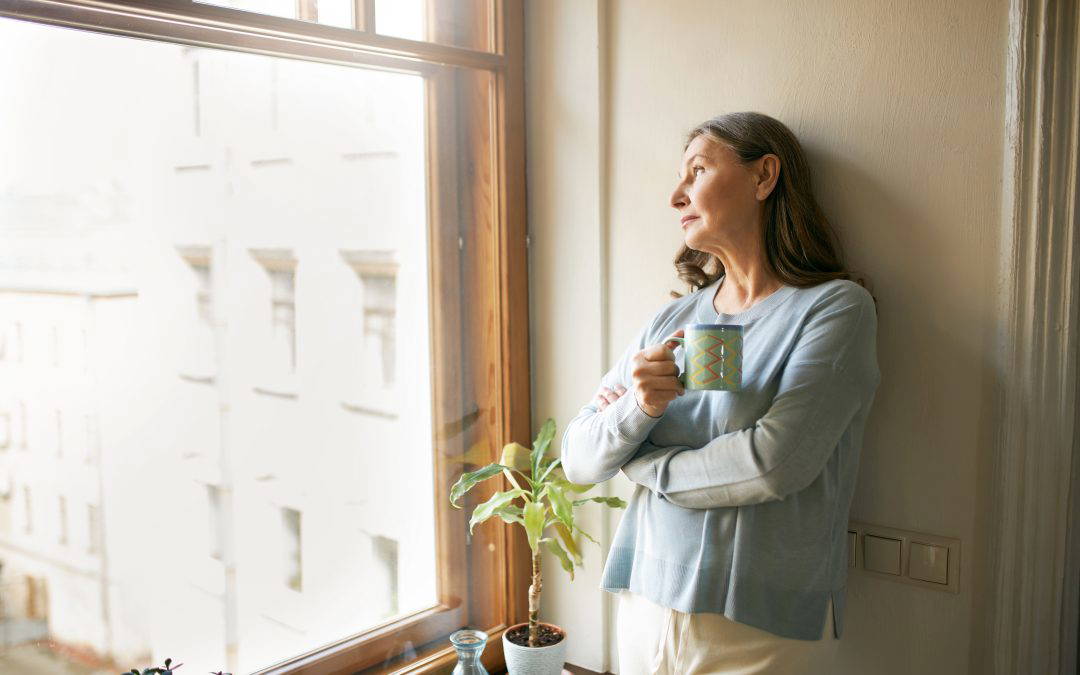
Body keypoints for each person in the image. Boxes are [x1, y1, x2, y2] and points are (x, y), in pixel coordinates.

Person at [560, 111, 880, 674]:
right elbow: (580, 458)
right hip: (643, 602)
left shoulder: (835, 309)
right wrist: (639, 409)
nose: (675, 195)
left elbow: (772, 464)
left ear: (765, 176)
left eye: (698, 170)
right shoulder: (672, 320)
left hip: (762, 626)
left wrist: (645, 466)